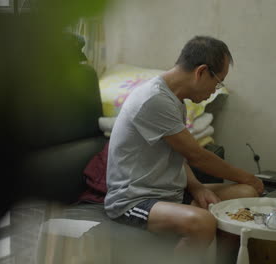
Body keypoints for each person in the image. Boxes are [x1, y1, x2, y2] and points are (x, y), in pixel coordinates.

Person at [104, 36, 265, 254]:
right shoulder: (154, 99)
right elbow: (196, 156)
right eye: (218, 82)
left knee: (245, 194)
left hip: (171, 194)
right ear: (201, 72)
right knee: (204, 222)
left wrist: (197, 187)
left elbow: (179, 155)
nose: (215, 90)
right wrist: (248, 176)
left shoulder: (174, 100)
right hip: (134, 201)